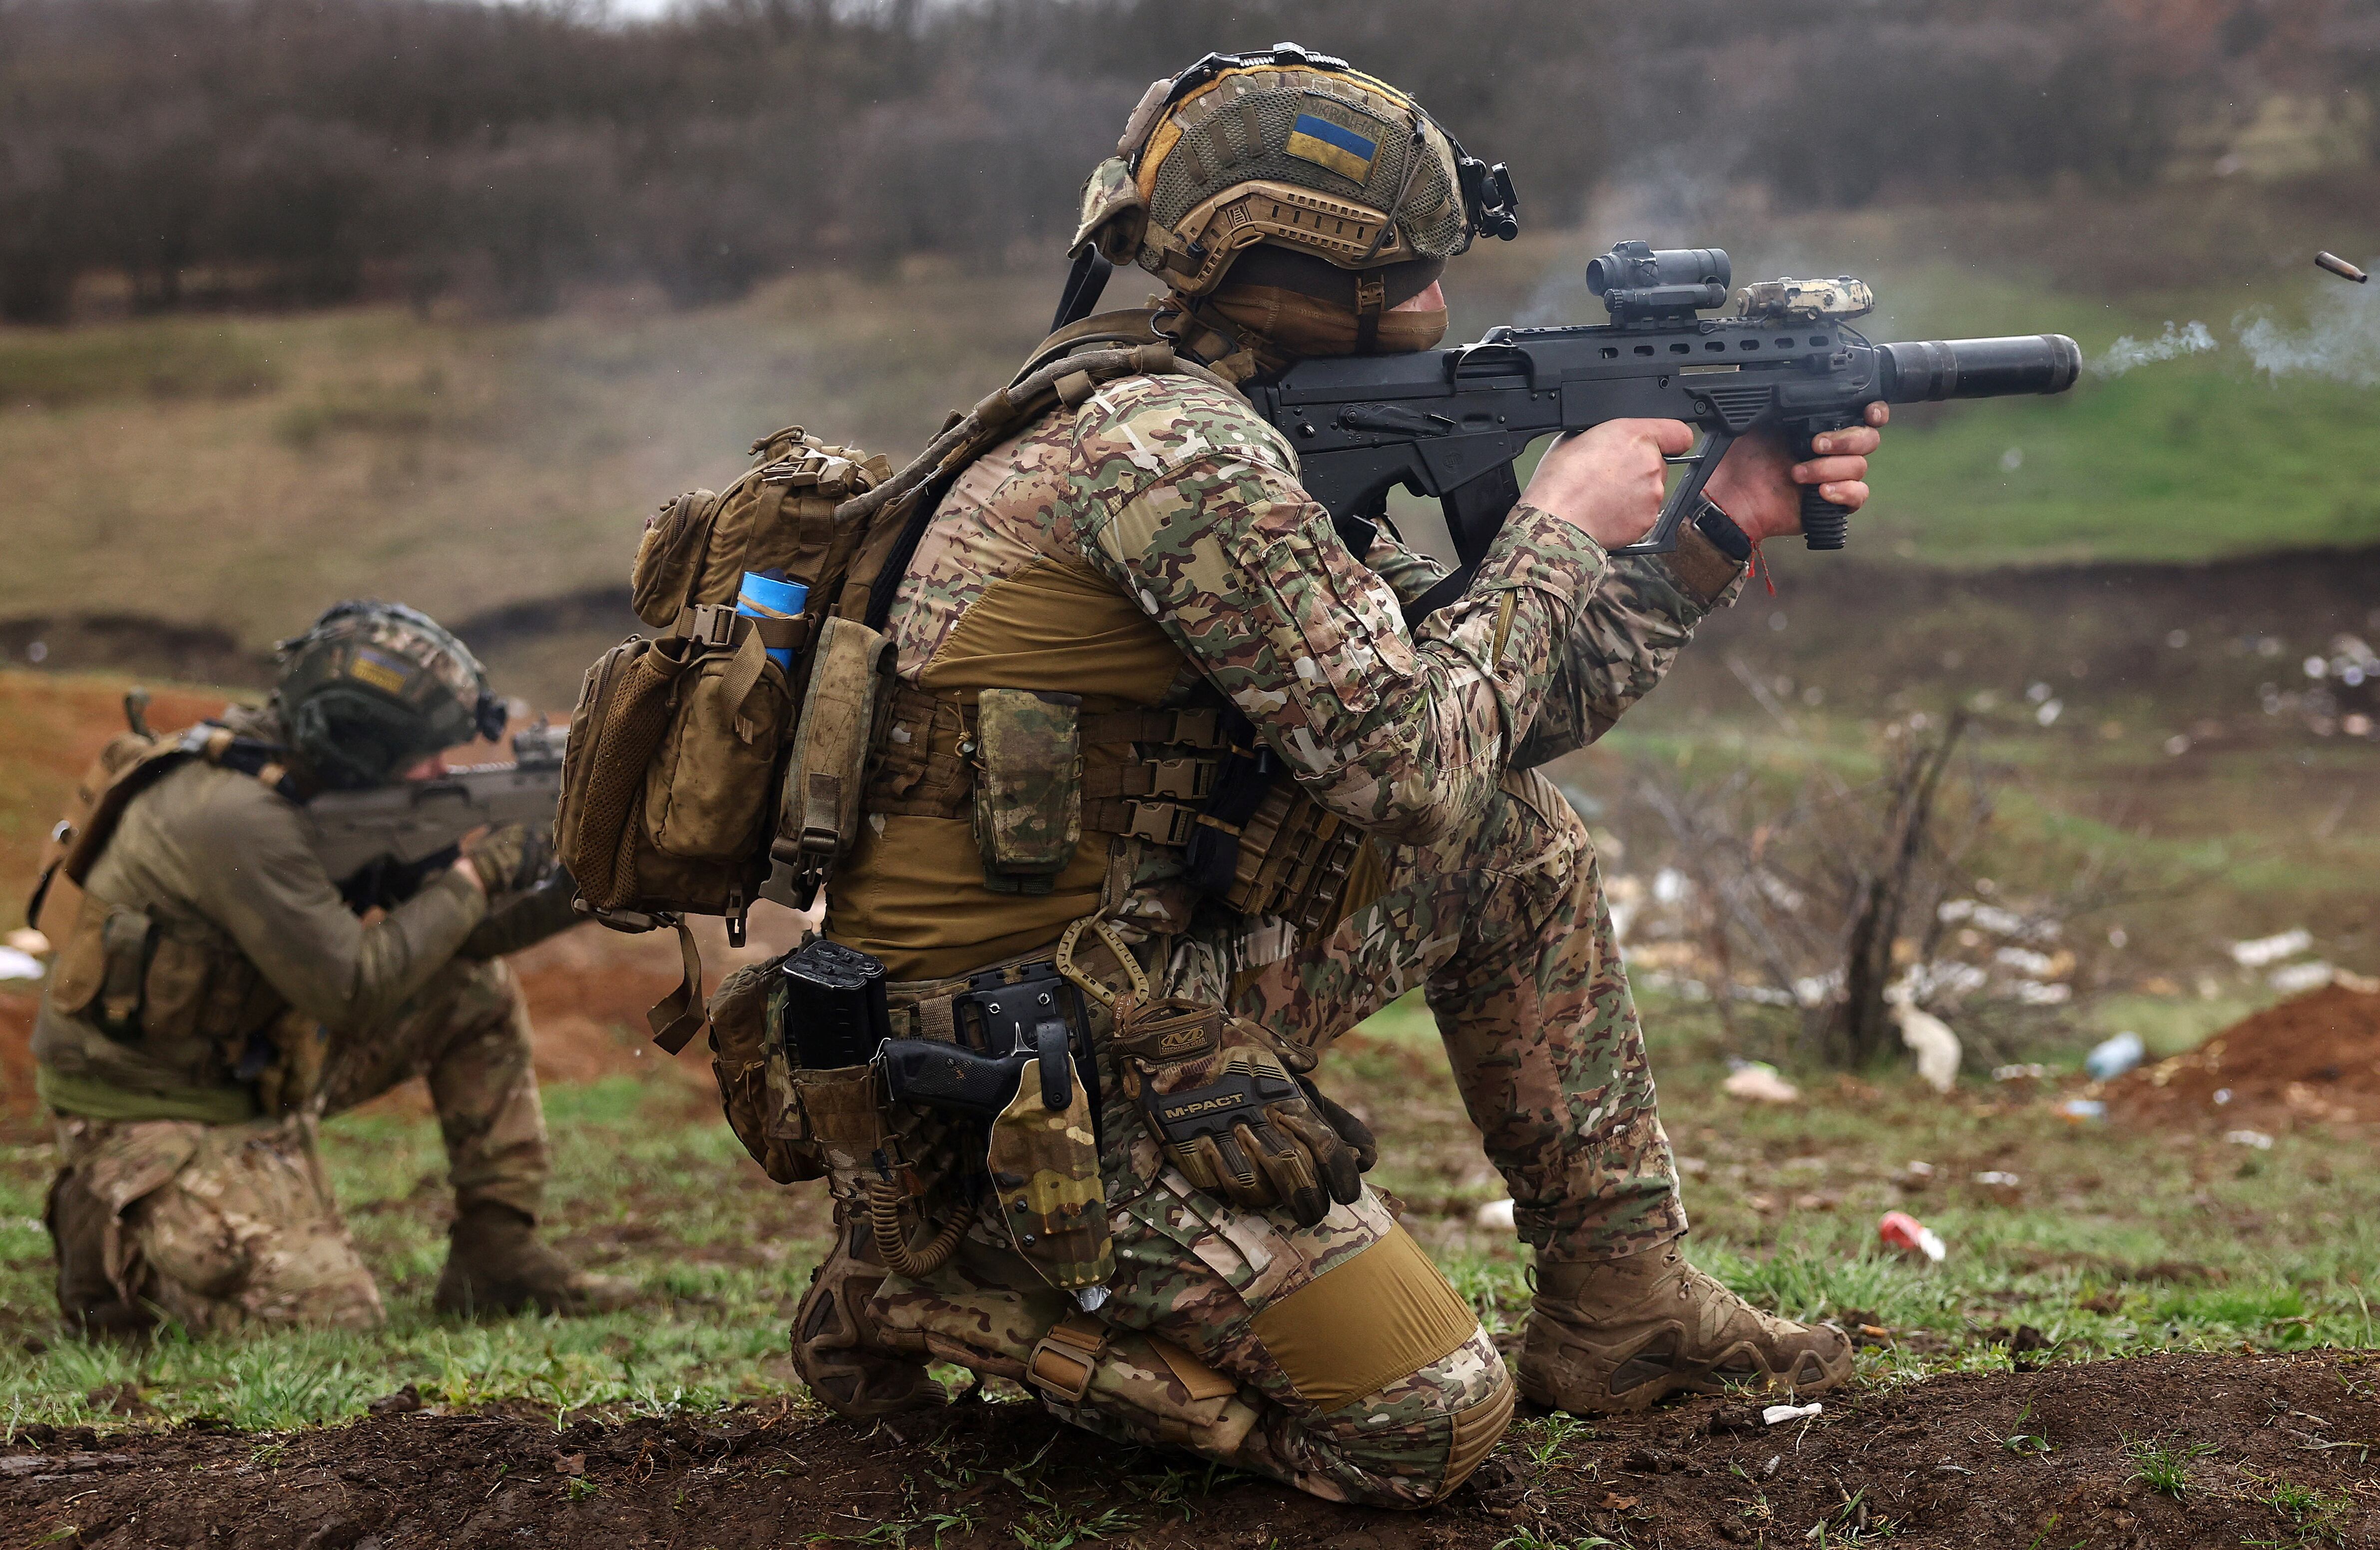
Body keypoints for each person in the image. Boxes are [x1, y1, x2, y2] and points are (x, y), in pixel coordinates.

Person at [783, 46, 1886, 1507]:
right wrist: (1557, 524)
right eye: (1423, 267)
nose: (1447, 297)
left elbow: (1481, 725)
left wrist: (1710, 532)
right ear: (1318, 282)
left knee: (1515, 839)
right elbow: (1411, 768)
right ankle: (945, 1284)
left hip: (1117, 992)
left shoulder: (1223, 420)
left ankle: (1624, 1309)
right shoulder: (1180, 458)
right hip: (1014, 1072)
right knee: (1428, 1423)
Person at [34, 600, 626, 1335]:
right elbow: (351, 992)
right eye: (425, 754)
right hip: (150, 1104)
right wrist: (476, 875)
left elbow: (466, 943)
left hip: (252, 1061)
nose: (443, 771)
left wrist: (592, 871)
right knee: (333, 1320)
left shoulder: (315, 785)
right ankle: (109, 1229)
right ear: (358, 746)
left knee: (468, 988)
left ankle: (496, 1254)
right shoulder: (235, 816)